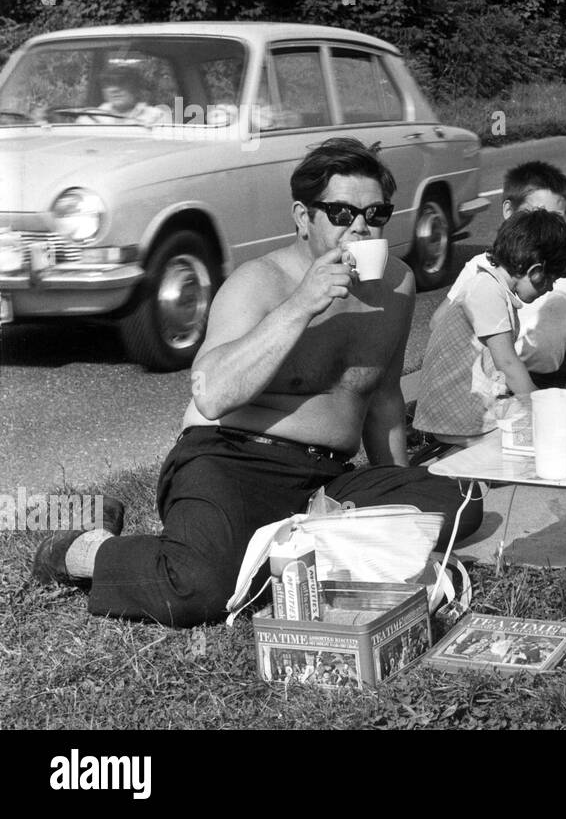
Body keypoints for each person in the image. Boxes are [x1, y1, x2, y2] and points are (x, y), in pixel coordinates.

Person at [30, 138, 484, 627]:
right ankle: (84, 548)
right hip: (231, 459)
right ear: (302, 216)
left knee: (462, 504)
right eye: (341, 213)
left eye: (375, 214)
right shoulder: (258, 282)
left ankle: (289, 545)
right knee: (198, 589)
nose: (359, 227)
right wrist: (302, 304)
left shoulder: (395, 284)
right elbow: (212, 393)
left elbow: (384, 399)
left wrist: (398, 500)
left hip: (325, 480)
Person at [411, 208, 566, 440]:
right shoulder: (488, 291)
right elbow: (508, 363)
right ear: (536, 271)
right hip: (460, 415)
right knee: (542, 439)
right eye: (550, 280)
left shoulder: (492, 287)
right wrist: (540, 407)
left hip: (466, 405)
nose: (550, 288)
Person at [440, 161, 566, 390]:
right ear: (509, 211)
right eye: (536, 215)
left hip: (551, 376)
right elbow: (441, 323)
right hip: (505, 379)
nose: (544, 227)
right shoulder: (483, 268)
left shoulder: (565, 261)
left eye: (556, 218)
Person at [76, 64, 169, 125]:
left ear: (136, 88)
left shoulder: (157, 116)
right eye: (108, 85)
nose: (114, 89)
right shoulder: (89, 118)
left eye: (121, 83)